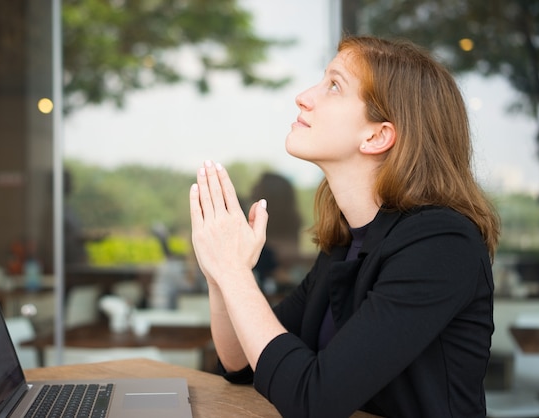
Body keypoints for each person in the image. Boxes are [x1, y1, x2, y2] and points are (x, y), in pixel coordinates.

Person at [189, 35, 500, 418]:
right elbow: (242, 363)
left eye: (334, 85)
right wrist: (219, 274)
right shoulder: (347, 245)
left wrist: (235, 273)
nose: (304, 96)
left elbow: (314, 401)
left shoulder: (442, 245)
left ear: (377, 135)